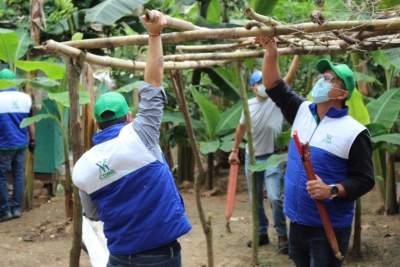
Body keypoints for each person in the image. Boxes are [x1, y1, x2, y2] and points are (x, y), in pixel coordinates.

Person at [72, 11, 191, 267]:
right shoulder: (140, 136)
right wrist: (155, 33)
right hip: (161, 255)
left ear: (96, 125)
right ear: (129, 117)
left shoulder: (82, 168)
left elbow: (91, 214)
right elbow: (153, 83)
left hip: (118, 257)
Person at [256, 36, 375, 267]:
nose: (321, 80)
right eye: (322, 76)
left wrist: (331, 190)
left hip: (327, 227)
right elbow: (273, 86)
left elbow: (365, 180)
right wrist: (271, 51)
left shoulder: (354, 132)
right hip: (297, 223)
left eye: (329, 79)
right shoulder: (301, 110)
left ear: (342, 94)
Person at [228, 56, 299, 252]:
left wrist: (296, 54)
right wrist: (234, 151)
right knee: (255, 199)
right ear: (252, 88)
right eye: (259, 83)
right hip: (252, 158)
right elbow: (241, 129)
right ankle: (261, 233)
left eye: (264, 82)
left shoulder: (275, 99)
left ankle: (282, 235)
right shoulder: (247, 105)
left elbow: (289, 78)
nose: (263, 86)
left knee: (275, 197)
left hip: (272, 157)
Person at [0, 68, 36, 222]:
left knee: (1, 178)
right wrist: (32, 141)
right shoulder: (25, 98)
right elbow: (31, 123)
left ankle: (4, 211)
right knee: (18, 176)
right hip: (21, 144)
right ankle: (16, 209)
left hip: (3, 145)